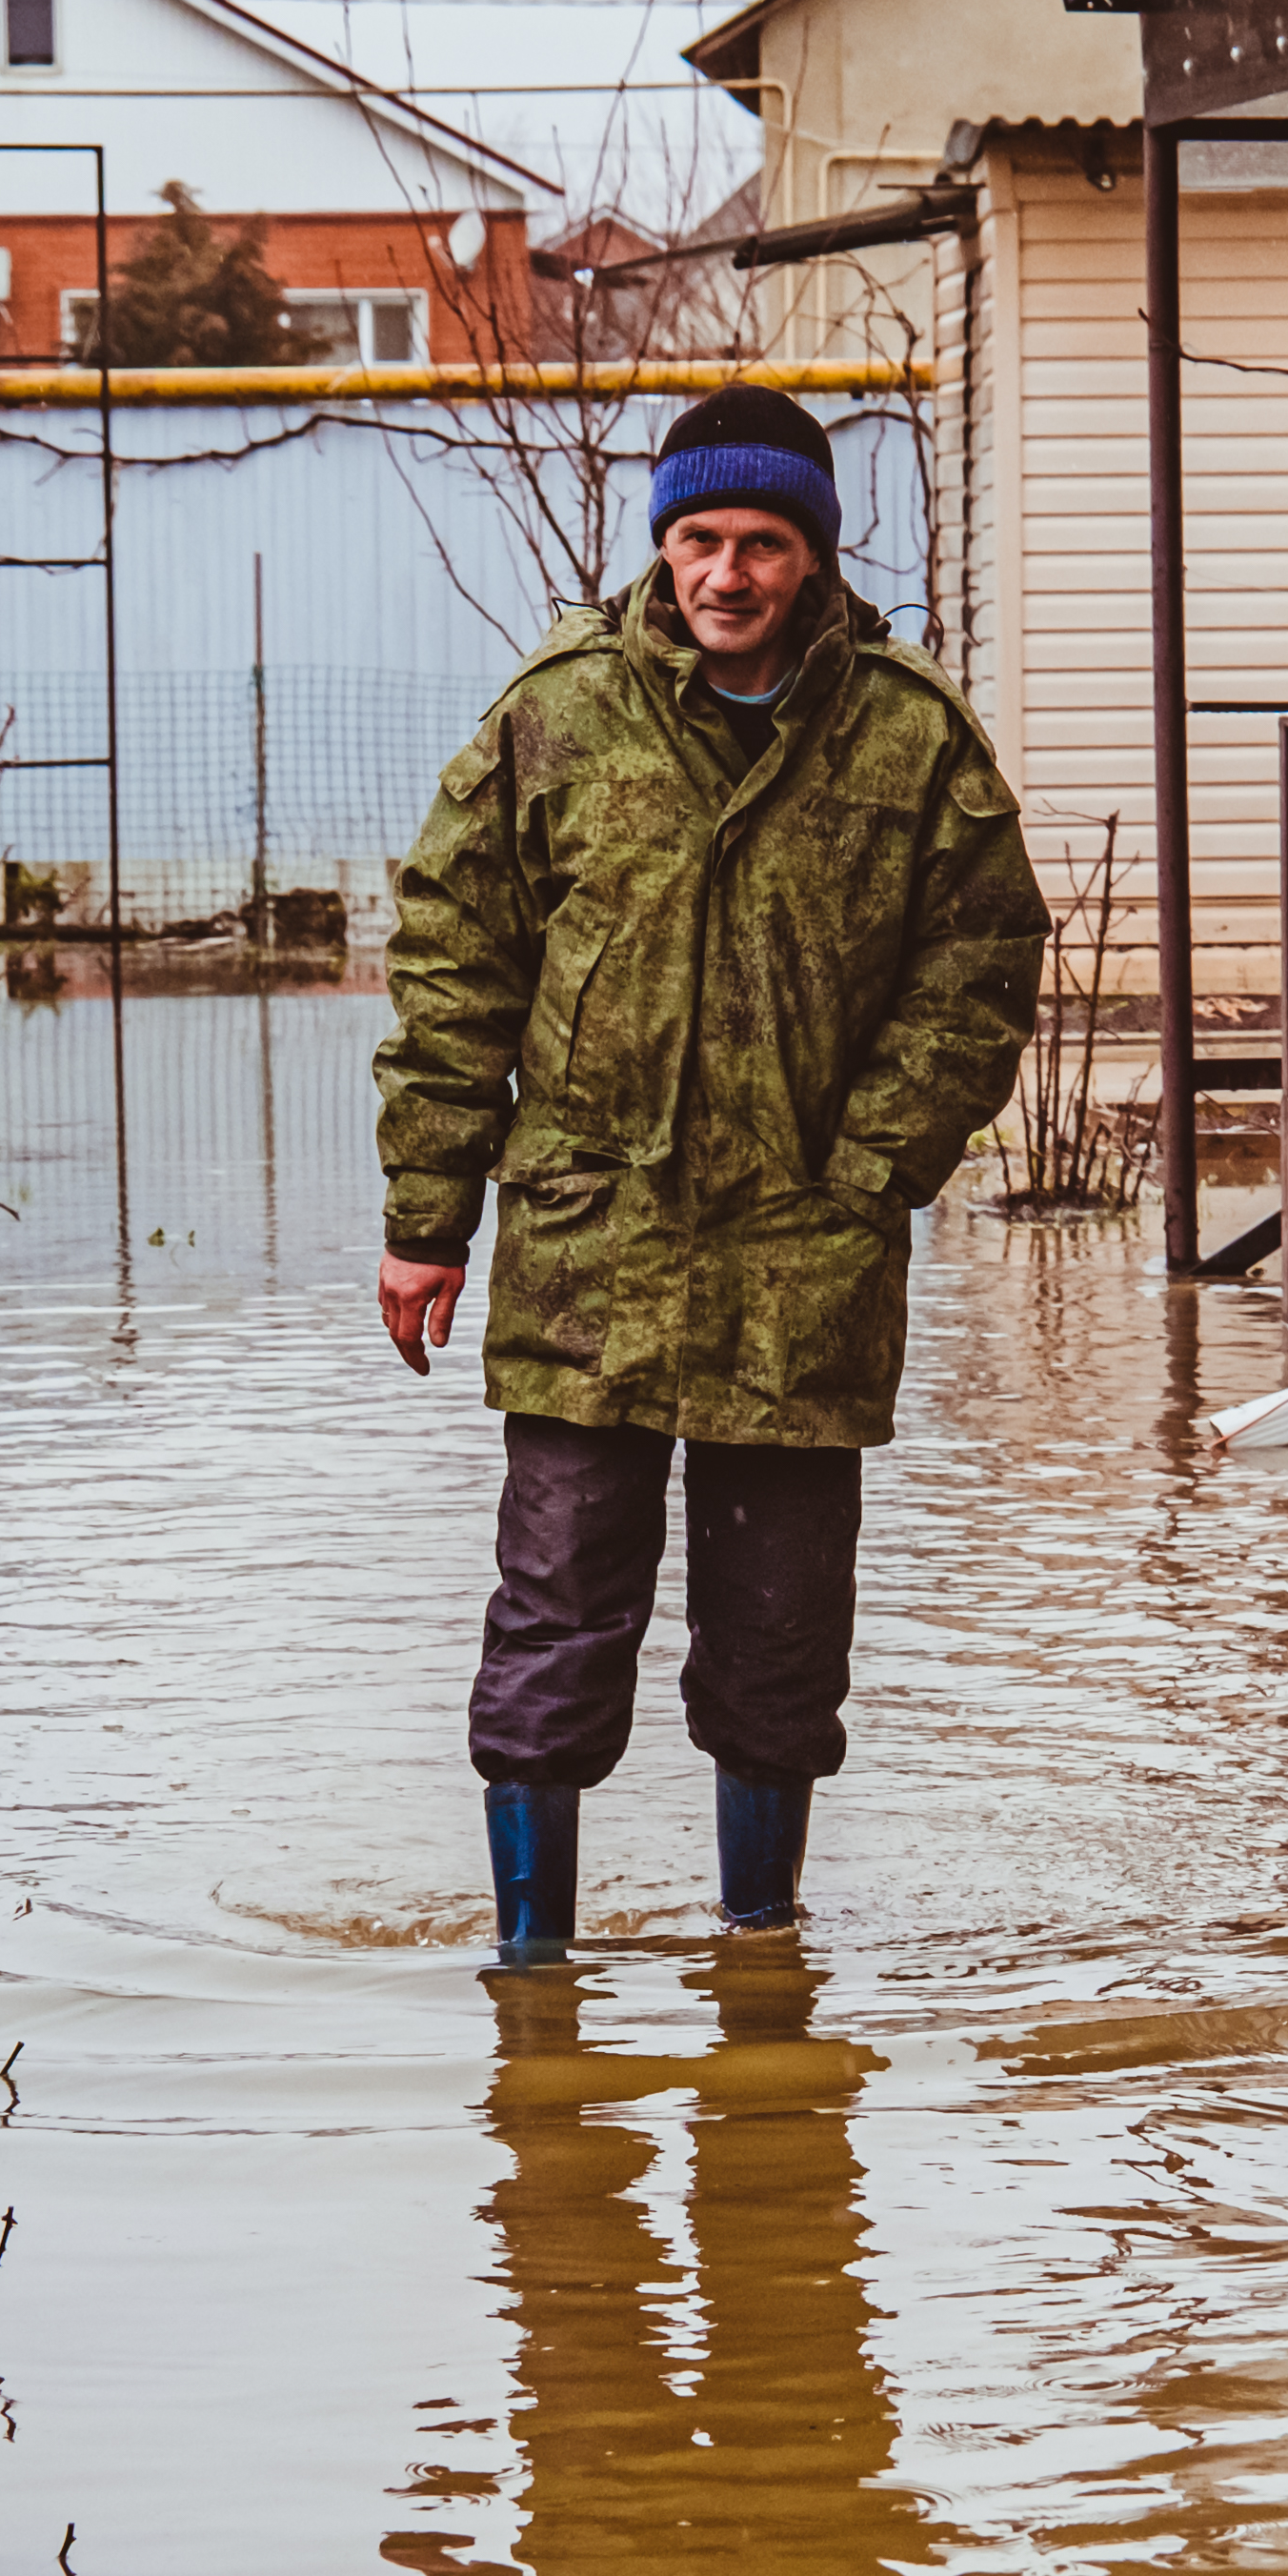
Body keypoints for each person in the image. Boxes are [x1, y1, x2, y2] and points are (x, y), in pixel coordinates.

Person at [373, 381, 1050, 1966]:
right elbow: (452, 970)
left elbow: (984, 965)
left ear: (813, 556)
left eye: (760, 542)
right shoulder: (556, 718)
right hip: (585, 1256)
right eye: (698, 539)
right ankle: (531, 1970)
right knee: (552, 1623)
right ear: (661, 547)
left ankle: (763, 1947)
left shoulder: (908, 736)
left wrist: (870, 1165)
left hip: (801, 1271)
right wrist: (427, 1221)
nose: (727, 574)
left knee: (779, 1642)